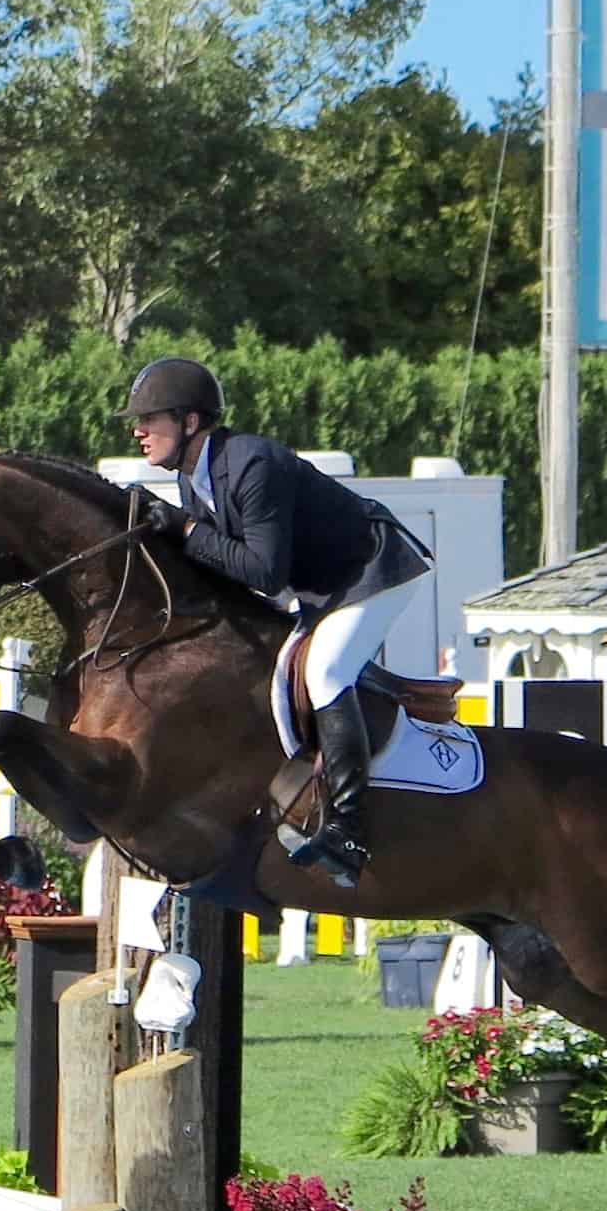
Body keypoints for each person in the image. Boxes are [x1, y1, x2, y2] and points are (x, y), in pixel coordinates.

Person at [123, 354, 430, 887]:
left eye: (151, 420)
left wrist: (188, 533)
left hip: (375, 570)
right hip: (320, 587)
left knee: (326, 672)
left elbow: (263, 571)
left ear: (190, 422)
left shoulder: (250, 464)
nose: (138, 431)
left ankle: (349, 829)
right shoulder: (195, 481)